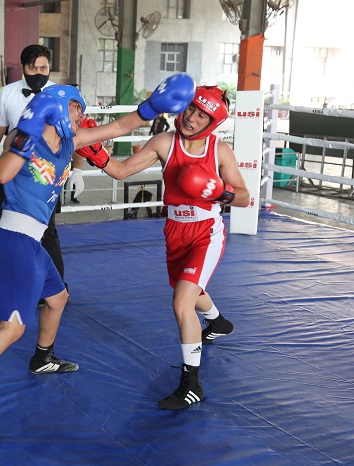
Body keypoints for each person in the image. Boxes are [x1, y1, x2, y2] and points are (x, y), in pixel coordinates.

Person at [0, 78, 195, 439]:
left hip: (33, 242)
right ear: (57, 105)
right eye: (76, 108)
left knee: (58, 298)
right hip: (13, 239)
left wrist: (153, 107)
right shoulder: (27, 137)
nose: (81, 115)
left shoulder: (70, 141)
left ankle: (42, 357)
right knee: (12, 327)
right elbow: (4, 174)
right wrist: (28, 127)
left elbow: (118, 126)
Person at [76, 84, 248, 410]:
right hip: (175, 230)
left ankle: (191, 384)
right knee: (191, 289)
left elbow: (243, 197)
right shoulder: (164, 143)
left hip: (206, 232)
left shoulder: (219, 151)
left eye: (201, 115)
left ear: (212, 122)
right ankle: (219, 322)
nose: (192, 118)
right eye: (191, 109)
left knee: (182, 301)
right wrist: (96, 153)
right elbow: (121, 171)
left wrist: (218, 191)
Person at [0, 44, 84, 300]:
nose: (38, 72)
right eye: (32, 67)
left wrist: (77, 169)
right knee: (3, 225)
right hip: (13, 170)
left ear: (49, 68)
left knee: (48, 230)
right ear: (23, 68)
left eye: (43, 67)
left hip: (46, 173)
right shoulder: (8, 93)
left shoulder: (60, 95)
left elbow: (76, 132)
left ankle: (57, 287)